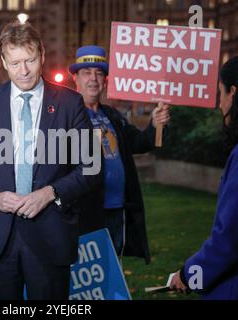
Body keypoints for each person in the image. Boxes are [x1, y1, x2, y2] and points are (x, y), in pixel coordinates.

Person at [0, 21, 100, 300]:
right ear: (3, 62)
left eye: (30, 60)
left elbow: (91, 167)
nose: (23, 71)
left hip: (51, 233)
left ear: (42, 55)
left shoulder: (71, 103)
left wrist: (50, 193)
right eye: (14, 63)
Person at [69, 45, 170, 263]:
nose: (93, 79)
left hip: (117, 209)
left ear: (105, 80)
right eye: (86, 73)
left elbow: (139, 142)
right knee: (86, 275)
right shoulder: (67, 116)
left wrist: (155, 123)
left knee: (113, 268)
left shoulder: (113, 115)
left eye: (99, 73)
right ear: (75, 78)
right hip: (85, 212)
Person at [170, 55, 238, 299]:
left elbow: (229, 239)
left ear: (234, 92)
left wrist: (189, 275)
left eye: (221, 93)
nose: (219, 104)